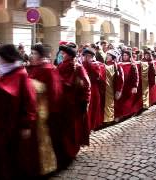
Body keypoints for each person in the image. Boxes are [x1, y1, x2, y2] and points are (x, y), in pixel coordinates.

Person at [0, 44, 39, 179]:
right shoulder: (4, 71)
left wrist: (26, 124)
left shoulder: (20, 73)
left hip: (16, 123)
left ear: (6, 58)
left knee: (17, 157)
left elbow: (30, 101)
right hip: (4, 123)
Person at [27, 44, 63, 176]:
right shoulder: (35, 68)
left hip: (44, 111)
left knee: (45, 140)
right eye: (31, 53)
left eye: (34, 53)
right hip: (35, 109)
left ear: (41, 56)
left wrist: (51, 112)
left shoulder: (48, 69)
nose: (31, 56)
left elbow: (55, 93)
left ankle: (48, 166)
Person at [57, 42, 91, 171]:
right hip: (62, 103)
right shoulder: (60, 66)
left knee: (73, 129)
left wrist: (85, 101)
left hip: (74, 104)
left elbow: (86, 85)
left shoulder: (78, 68)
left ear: (69, 55)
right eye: (62, 53)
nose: (61, 55)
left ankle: (72, 151)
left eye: (64, 53)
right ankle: (65, 151)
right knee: (64, 128)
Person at [82, 48, 106, 130]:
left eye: (88, 56)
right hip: (84, 88)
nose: (86, 58)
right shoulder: (81, 64)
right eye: (85, 56)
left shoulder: (96, 65)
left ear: (92, 57)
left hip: (93, 88)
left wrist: (89, 64)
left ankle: (92, 125)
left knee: (93, 108)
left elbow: (97, 76)